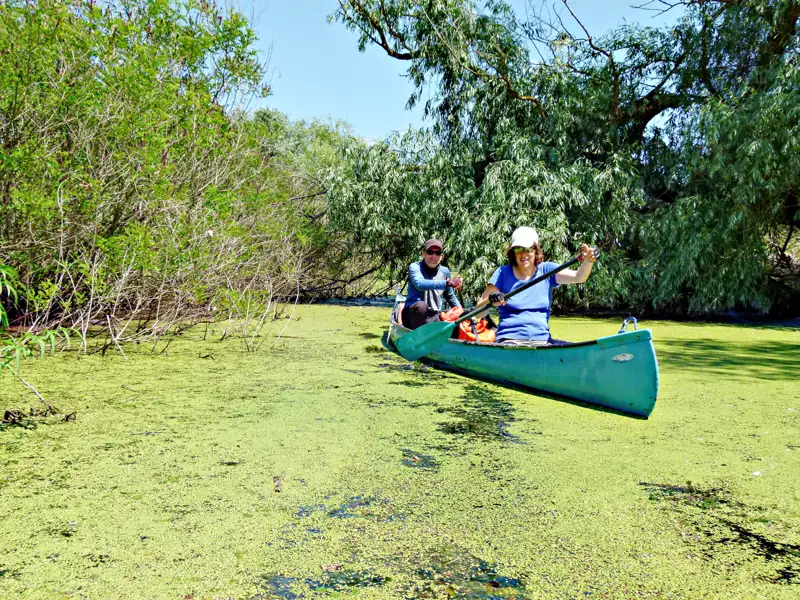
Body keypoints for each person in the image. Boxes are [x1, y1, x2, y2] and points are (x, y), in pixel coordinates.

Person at [477, 227, 597, 345]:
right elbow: (478, 313)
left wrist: (589, 260)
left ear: (536, 250)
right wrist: (491, 299)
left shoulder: (547, 270)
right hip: (509, 341)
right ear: (513, 252)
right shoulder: (502, 273)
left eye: (528, 249)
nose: (523, 254)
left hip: (542, 342)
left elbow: (579, 277)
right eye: (518, 249)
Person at [402, 238, 463, 330]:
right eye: (430, 252)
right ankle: (421, 336)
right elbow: (419, 283)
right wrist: (446, 283)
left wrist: (461, 310)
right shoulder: (415, 267)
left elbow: (450, 296)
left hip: (434, 316)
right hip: (412, 315)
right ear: (423, 254)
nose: (434, 256)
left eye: (437, 253)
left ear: (441, 256)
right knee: (421, 306)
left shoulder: (445, 271)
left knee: (458, 318)